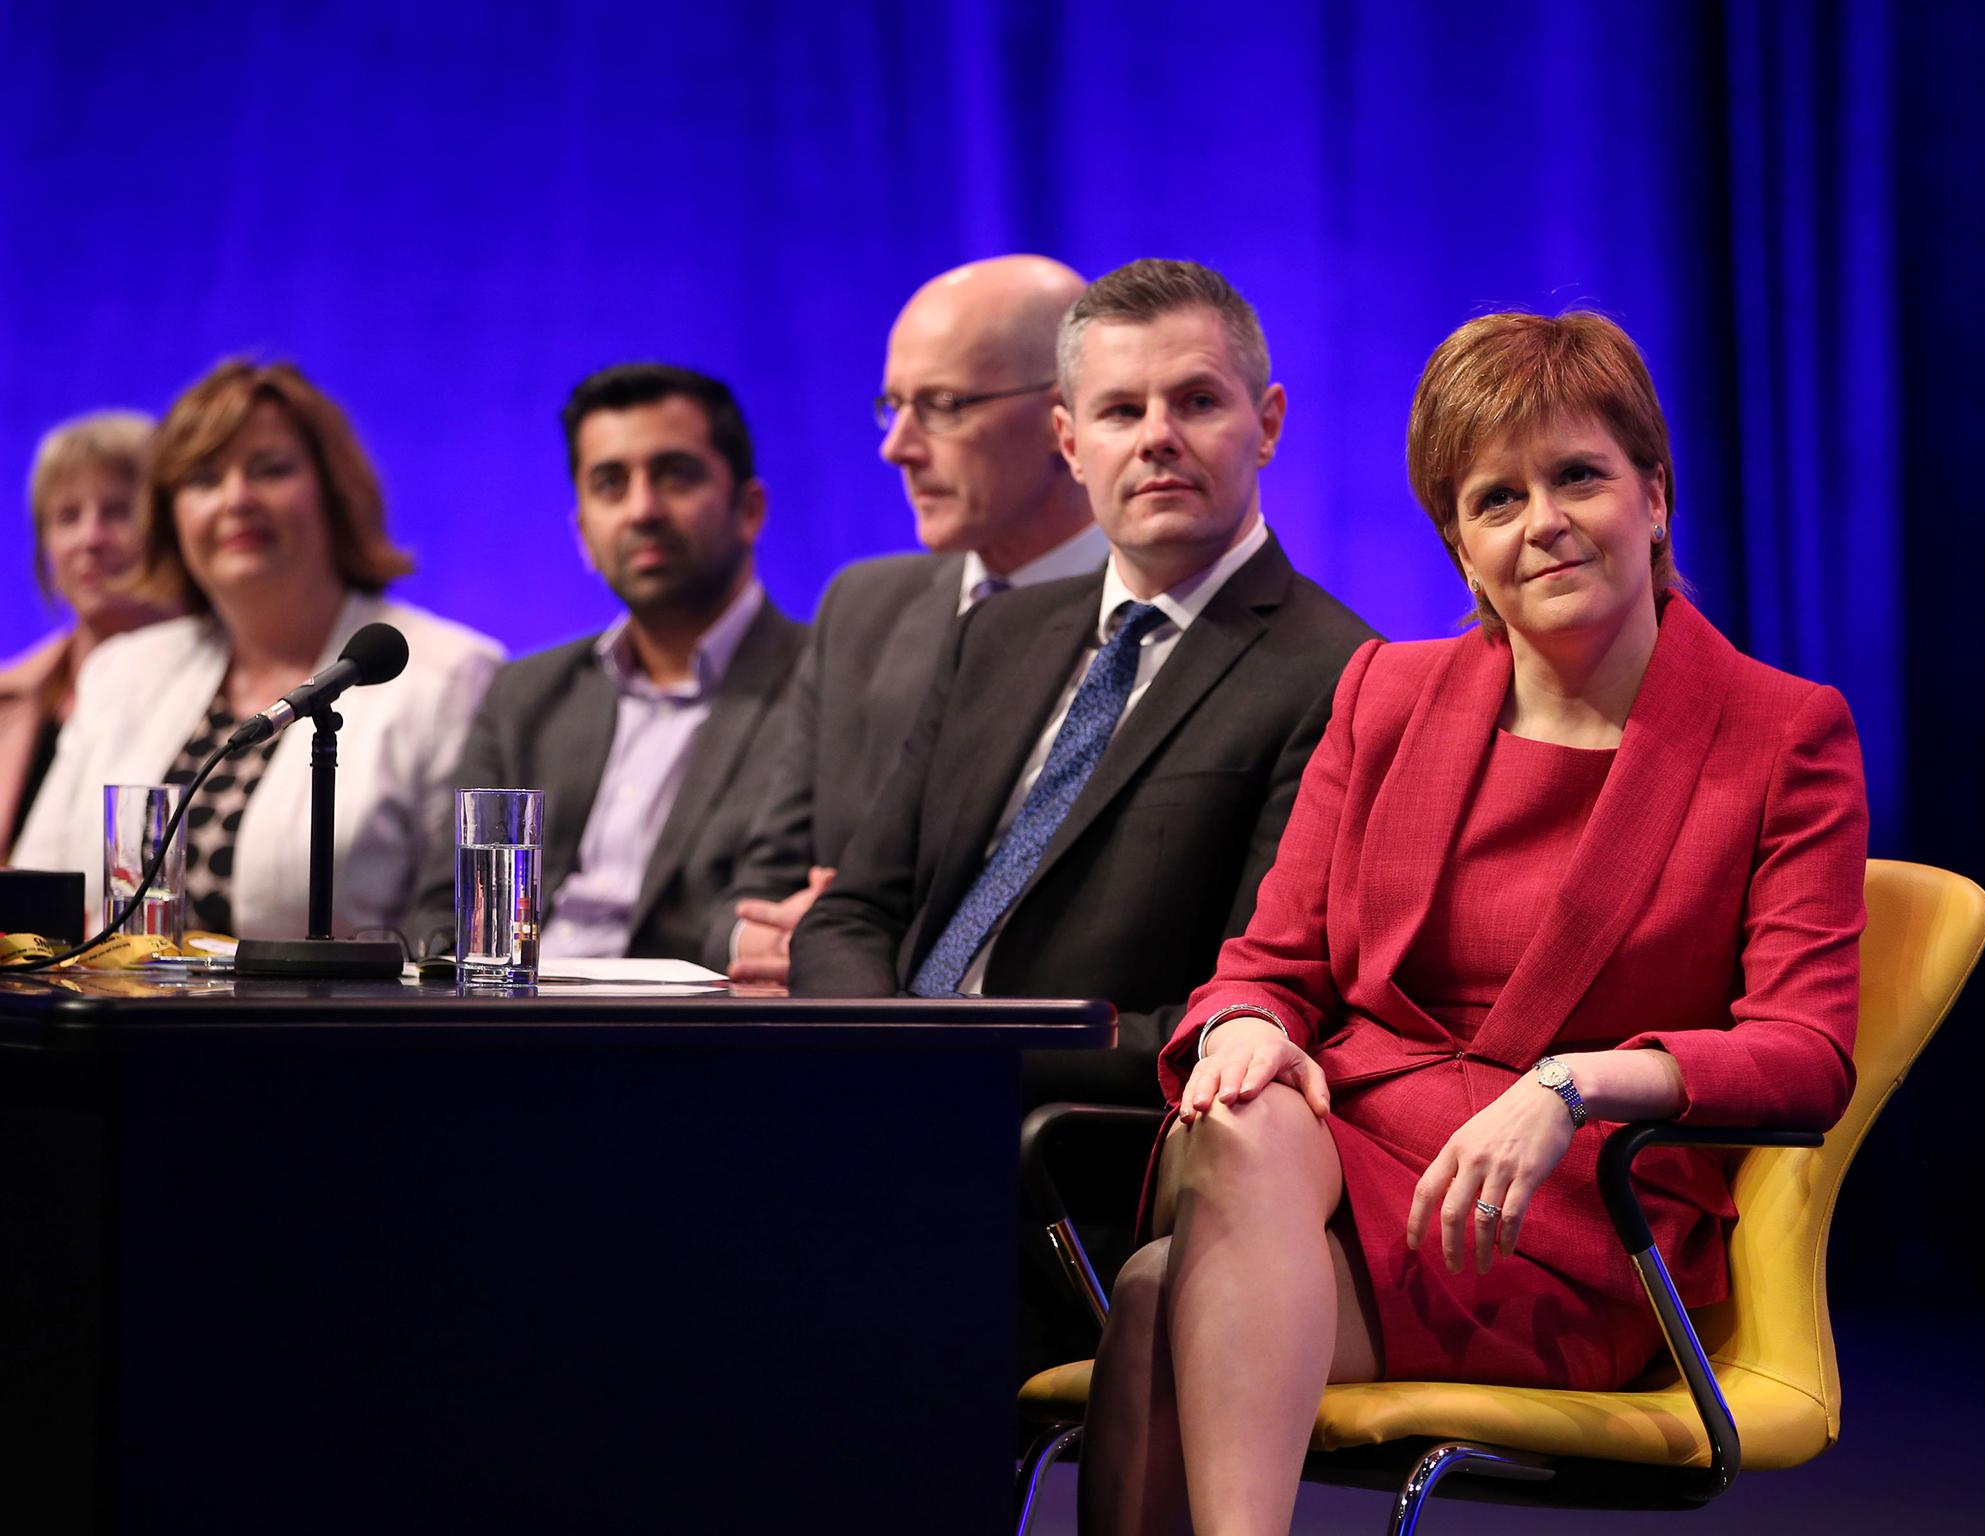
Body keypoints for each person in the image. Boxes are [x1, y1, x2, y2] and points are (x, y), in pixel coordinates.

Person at [1077, 311, 1868, 1535]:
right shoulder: (1385, 693)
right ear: (1460, 548)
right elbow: (1271, 962)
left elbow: (1805, 1052)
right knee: (1240, 1113)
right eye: (1495, 499)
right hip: (1335, 1169)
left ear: (1653, 498)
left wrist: (1570, 1086)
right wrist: (1238, 1023)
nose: (1540, 521)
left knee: (1150, 1301)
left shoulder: (1781, 735)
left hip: (1559, 1222)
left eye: (1578, 477)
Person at [790, 259, 1375, 1102]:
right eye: (1121, 411)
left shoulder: (1339, 675)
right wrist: (880, 1046)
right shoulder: (993, 633)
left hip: (1066, 1143)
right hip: (875, 1094)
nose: (1157, 437)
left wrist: (952, 1065)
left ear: (1269, 423)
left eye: (1198, 402)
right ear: (1069, 442)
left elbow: (1238, 1011)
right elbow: (853, 912)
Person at [709, 255, 1109, 981]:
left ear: (1064, 421)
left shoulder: (1152, 629)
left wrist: (864, 936)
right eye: (894, 405)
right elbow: (753, 884)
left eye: (945, 405)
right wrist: (771, 941)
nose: (897, 447)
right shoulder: (862, 608)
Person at [12, 361, 501, 941]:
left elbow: (451, 935)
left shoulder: (450, 674)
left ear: (333, 494)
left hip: (330, 1028)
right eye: (203, 480)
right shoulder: (123, 669)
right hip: (111, 1021)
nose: (235, 499)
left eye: (270, 470)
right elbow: (34, 893)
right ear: (170, 517)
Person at [409, 365, 804, 961]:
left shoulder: (822, 685)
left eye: (675, 475)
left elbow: (776, 910)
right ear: (583, 535)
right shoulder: (525, 695)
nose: (642, 509)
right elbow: (446, 908)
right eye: (610, 484)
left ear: (749, 509)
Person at [1, 412, 177, 861]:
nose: (90, 538)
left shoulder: (221, 687)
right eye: (67, 517)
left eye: (118, 512)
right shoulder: (9, 693)